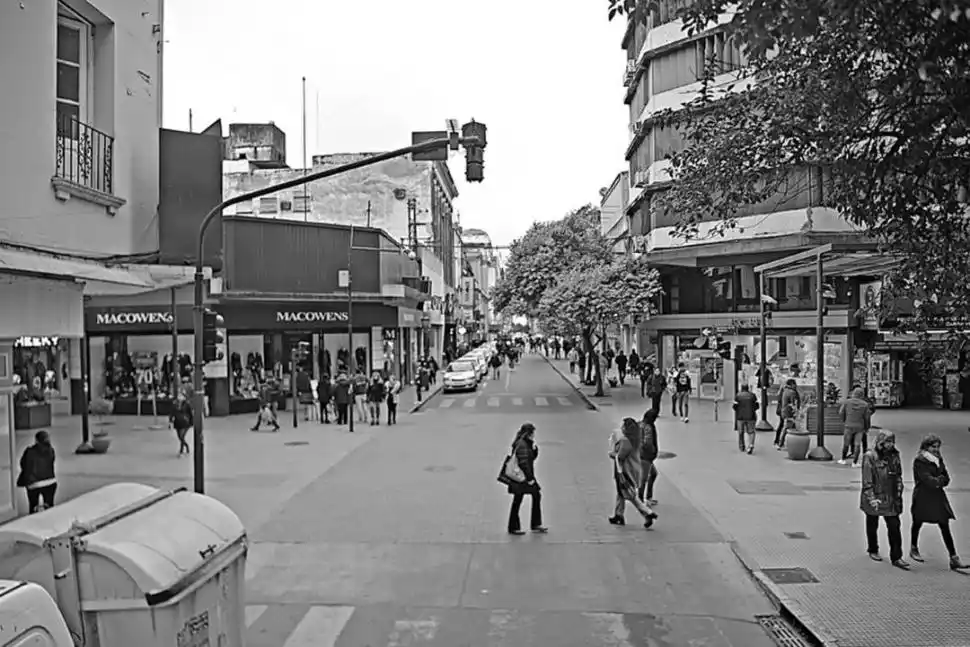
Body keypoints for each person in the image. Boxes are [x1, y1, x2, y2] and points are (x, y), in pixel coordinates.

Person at [910, 434, 967, 570]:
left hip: (937, 497)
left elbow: (946, 477)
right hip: (923, 496)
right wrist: (939, 481)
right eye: (933, 447)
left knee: (944, 524)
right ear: (926, 447)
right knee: (918, 522)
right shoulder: (920, 460)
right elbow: (928, 480)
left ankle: (953, 557)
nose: (936, 449)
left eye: (937, 447)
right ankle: (913, 547)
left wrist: (939, 481)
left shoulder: (938, 459)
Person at [861, 430, 909, 569]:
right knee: (872, 523)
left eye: (892, 442)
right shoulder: (870, 456)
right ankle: (873, 548)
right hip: (876, 496)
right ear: (880, 442)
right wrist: (871, 498)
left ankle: (897, 556)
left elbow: (898, 475)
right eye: (887, 442)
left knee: (894, 526)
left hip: (891, 496)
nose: (890, 445)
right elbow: (867, 480)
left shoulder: (895, 455)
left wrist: (899, 491)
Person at [608, 417, 659, 529]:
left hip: (625, 472)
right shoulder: (634, 440)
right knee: (621, 493)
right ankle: (618, 515)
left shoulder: (626, 442)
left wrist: (612, 453)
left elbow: (620, 457)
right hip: (631, 470)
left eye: (623, 426)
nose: (621, 428)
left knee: (631, 496)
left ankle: (648, 513)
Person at [507, 423, 547, 535]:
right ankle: (530, 525)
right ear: (529, 433)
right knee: (530, 496)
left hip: (522, 478)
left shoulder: (524, 443)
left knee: (521, 499)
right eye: (533, 433)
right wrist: (530, 479)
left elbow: (529, 458)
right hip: (522, 478)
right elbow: (524, 463)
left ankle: (516, 526)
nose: (534, 435)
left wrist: (534, 450)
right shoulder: (522, 444)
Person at [17, 430, 56, 514]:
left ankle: (34, 511)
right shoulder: (51, 451)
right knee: (50, 506)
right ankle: (48, 510)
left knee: (33, 505)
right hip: (50, 482)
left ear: (36, 440)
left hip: (33, 483)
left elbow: (23, 464)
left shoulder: (29, 451)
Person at [839, 387, 871, 466]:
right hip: (859, 427)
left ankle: (843, 459)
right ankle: (855, 462)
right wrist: (867, 427)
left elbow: (841, 412)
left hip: (848, 425)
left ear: (853, 393)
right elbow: (867, 417)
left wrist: (844, 420)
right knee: (857, 444)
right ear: (862, 395)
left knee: (846, 443)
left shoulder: (847, 402)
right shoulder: (865, 404)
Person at [638, 409, 660, 506]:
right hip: (646, 456)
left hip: (642, 454)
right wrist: (652, 452)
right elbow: (648, 442)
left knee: (652, 474)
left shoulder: (641, 424)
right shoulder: (648, 427)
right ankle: (641, 498)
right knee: (644, 477)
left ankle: (647, 497)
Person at [774, 379, 801, 449]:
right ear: (792, 384)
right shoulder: (792, 392)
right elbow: (794, 403)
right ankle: (781, 443)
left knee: (786, 426)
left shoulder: (784, 390)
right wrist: (796, 411)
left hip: (783, 411)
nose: (796, 385)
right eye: (795, 384)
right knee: (786, 427)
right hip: (788, 412)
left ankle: (784, 442)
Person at [733, 384, 759, 454]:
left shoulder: (738, 396)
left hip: (740, 417)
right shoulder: (753, 395)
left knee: (741, 432)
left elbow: (734, 406)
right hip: (751, 416)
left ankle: (742, 446)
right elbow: (757, 406)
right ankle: (751, 445)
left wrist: (739, 410)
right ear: (748, 388)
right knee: (751, 431)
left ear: (741, 388)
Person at [170, 392, 194, 456]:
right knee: (179, 437)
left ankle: (181, 450)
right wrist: (170, 420)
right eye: (179, 396)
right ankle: (186, 446)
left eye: (181, 396)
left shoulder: (187, 404)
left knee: (182, 436)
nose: (180, 397)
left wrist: (191, 422)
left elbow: (190, 413)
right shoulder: (174, 404)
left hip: (185, 422)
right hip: (177, 422)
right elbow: (172, 412)